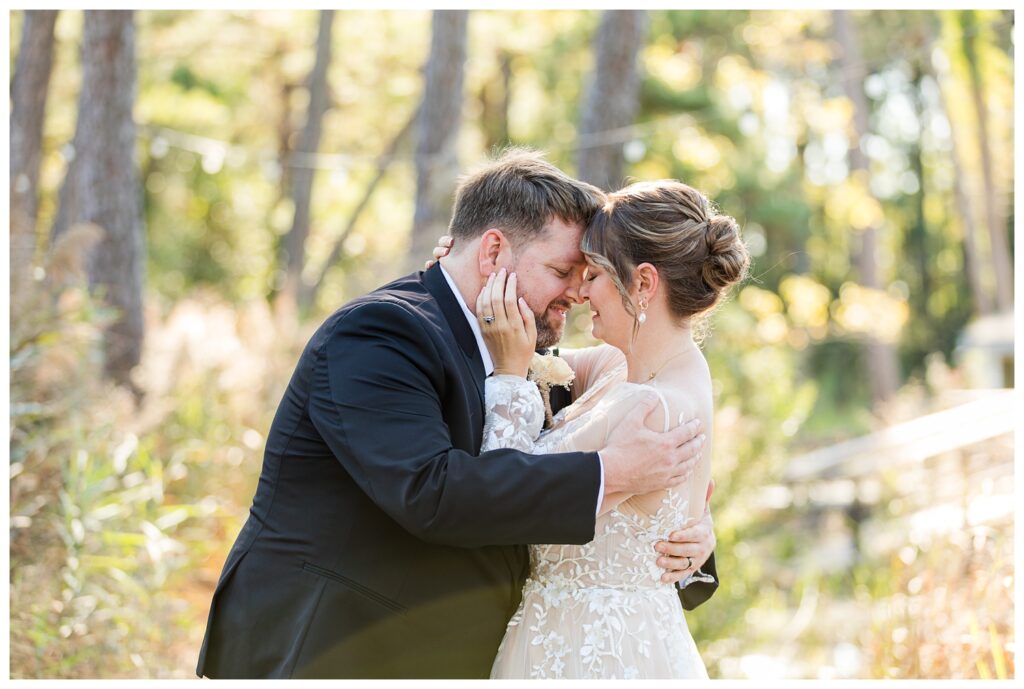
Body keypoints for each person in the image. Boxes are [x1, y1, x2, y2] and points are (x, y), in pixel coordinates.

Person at [196, 150, 716, 679]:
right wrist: (614, 474)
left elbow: (566, 452)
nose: (576, 295)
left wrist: (685, 526)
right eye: (562, 271)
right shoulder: (383, 333)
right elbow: (433, 491)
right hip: (340, 649)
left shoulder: (525, 351)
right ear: (493, 252)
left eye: (586, 275)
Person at [466, 178, 750, 678]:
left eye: (594, 274)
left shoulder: (647, 408)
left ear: (643, 283)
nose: (580, 291)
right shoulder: (642, 368)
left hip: (591, 654)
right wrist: (469, 268)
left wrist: (509, 378)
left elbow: (506, 496)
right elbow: (534, 349)